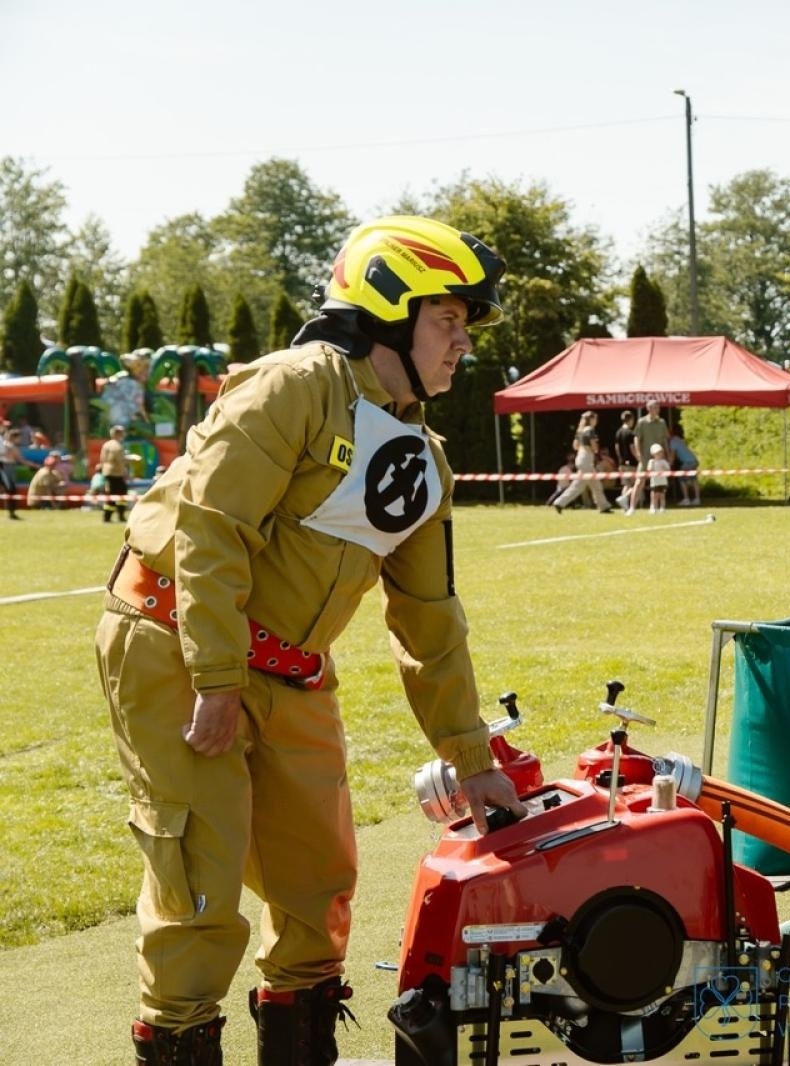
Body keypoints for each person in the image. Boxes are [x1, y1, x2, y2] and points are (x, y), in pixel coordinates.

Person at [94, 215, 529, 1065]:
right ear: (389, 310)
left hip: (291, 670)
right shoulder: (290, 387)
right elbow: (208, 530)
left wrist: (472, 755)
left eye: (465, 328)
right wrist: (216, 679)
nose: (462, 346)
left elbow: (429, 618)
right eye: (449, 322)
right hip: (173, 638)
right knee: (202, 889)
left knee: (317, 888)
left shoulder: (424, 459)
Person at [551, 412, 613, 513]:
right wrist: (595, 450)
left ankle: (604, 506)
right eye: (595, 419)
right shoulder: (590, 430)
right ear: (591, 419)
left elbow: (575, 446)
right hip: (587, 459)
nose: (596, 421)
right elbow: (595, 446)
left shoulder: (580, 431)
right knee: (580, 486)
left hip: (580, 457)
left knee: (594, 485)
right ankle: (559, 502)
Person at [630, 399, 669, 513]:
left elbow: (664, 440)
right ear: (649, 409)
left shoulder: (662, 422)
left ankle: (658, 507)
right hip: (645, 457)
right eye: (655, 407)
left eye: (658, 407)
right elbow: (636, 438)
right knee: (639, 482)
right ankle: (632, 507)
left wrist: (668, 453)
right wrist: (638, 453)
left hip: (659, 458)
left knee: (660, 484)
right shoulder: (642, 422)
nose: (657, 410)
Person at [103, 349, 152, 433]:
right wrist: (146, 420)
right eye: (144, 369)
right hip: (119, 419)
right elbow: (137, 405)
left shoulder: (130, 382)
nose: (147, 372)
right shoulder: (131, 383)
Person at [99, 424, 131, 523]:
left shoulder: (106, 444)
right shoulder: (117, 446)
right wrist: (125, 471)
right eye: (122, 433)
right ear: (118, 434)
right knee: (120, 494)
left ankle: (110, 516)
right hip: (116, 473)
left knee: (112, 494)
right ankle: (113, 516)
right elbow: (119, 460)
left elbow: (102, 459)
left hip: (107, 472)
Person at [668, 425, 700, 506]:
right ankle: (697, 499)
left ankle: (686, 499)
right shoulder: (678, 439)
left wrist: (667, 466)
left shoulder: (672, 442)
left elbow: (672, 457)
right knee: (693, 480)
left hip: (688, 462)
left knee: (682, 479)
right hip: (694, 460)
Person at [613, 410, 638, 510]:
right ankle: (624, 498)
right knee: (636, 484)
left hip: (622, 463)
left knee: (626, 484)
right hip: (631, 463)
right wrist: (638, 459)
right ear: (631, 419)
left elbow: (617, 448)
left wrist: (620, 459)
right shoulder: (630, 433)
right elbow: (632, 448)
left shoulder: (618, 432)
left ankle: (624, 504)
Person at [0, 425, 23, 520]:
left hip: (6, 469)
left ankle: (11, 513)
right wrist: (35, 465)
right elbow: (21, 460)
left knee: (9, 491)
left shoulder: (4, 443)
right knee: (11, 491)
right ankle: (12, 513)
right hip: (7, 470)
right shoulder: (10, 446)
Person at [647, 442, 672, 513]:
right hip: (654, 482)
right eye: (657, 453)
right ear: (653, 454)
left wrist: (664, 469)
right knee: (654, 495)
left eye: (660, 453)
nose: (659, 454)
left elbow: (668, 469)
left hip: (663, 481)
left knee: (662, 495)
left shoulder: (664, 461)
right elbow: (649, 469)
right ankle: (653, 507)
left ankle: (662, 507)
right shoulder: (651, 461)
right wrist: (652, 465)